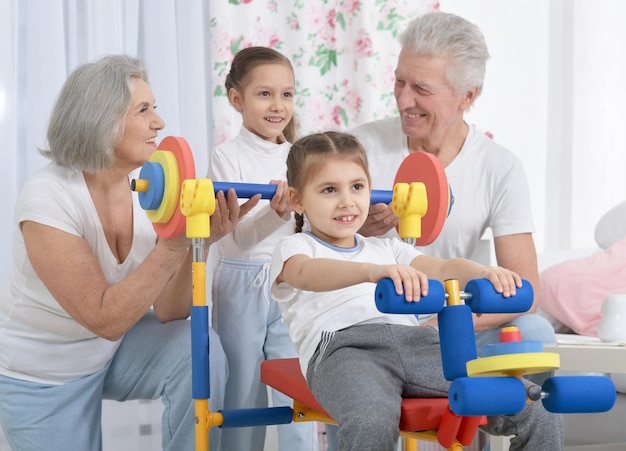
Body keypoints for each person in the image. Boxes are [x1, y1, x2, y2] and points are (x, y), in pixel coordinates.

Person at [0, 54, 259, 451]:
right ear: (101, 118)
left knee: (197, 346)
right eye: (144, 110)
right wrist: (175, 240)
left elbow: (171, 311)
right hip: (42, 375)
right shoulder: (48, 195)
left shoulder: (147, 193)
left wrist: (200, 241)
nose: (159, 122)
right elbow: (105, 317)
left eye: (154, 108)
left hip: (112, 354)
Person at [268, 131, 563, 451]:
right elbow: (306, 274)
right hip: (344, 350)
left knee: (531, 404)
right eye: (329, 190)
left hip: (418, 342)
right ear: (297, 200)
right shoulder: (295, 248)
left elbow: (443, 268)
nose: (347, 201)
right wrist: (370, 273)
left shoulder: (388, 248)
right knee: (371, 420)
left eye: (357, 186)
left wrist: (482, 272)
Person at [351, 11, 555, 360]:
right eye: (400, 81)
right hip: (376, 315)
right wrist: (357, 232)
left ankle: (500, 415)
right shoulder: (357, 148)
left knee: (534, 331)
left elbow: (527, 288)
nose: (402, 100)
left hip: (452, 318)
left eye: (421, 89)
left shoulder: (499, 166)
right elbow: (310, 245)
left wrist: (439, 324)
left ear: (467, 96)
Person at [207, 47, 316, 451]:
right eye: (265, 94)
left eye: (287, 94)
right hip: (241, 281)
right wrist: (274, 213)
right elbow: (235, 237)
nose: (278, 105)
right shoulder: (226, 156)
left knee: (298, 387)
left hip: (290, 278)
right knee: (244, 387)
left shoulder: (299, 157)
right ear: (237, 99)